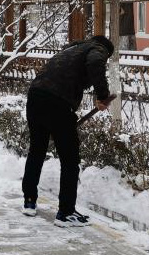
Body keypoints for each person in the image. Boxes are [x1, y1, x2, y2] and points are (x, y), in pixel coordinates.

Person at [22, 35, 114, 227]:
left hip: (35, 96)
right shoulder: (98, 49)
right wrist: (103, 95)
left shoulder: (72, 49)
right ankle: (66, 212)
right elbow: (96, 63)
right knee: (70, 159)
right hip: (58, 102)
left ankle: (29, 200)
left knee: (37, 150)